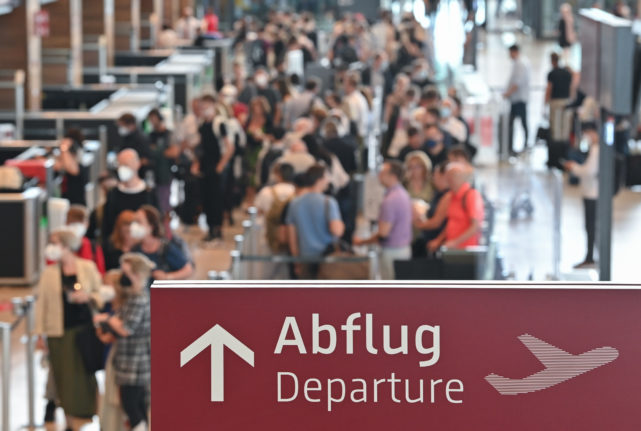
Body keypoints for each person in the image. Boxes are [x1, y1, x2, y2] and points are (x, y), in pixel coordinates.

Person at [35, 228, 105, 431]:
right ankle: (68, 421)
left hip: (84, 329)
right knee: (63, 379)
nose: (51, 247)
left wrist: (89, 297)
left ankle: (89, 416)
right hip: (59, 332)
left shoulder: (87, 267)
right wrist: (40, 335)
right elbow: (42, 306)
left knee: (86, 376)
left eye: (55, 242)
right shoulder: (49, 274)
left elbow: (101, 293)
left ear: (66, 246)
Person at [95, 253, 154, 431]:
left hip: (135, 363)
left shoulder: (139, 299)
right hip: (127, 360)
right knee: (135, 404)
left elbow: (126, 329)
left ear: (136, 275)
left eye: (125, 272)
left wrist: (106, 319)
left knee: (132, 404)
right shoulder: (132, 297)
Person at [354, 161, 412, 280]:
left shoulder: (391, 200)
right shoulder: (402, 194)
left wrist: (362, 242)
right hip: (402, 249)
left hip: (392, 252)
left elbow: (383, 233)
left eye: (383, 173)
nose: (379, 176)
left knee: (391, 291)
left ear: (393, 176)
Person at [286, 165, 345, 278]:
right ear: (320, 179)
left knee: (307, 293)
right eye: (327, 177)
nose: (329, 180)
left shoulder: (294, 203)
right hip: (328, 259)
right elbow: (337, 231)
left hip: (305, 258)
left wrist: (296, 261)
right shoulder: (329, 202)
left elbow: (292, 238)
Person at [195, 95, 234, 241]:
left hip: (216, 166)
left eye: (205, 106)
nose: (203, 109)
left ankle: (218, 229)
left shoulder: (219, 123)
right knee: (206, 198)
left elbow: (229, 147)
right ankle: (210, 228)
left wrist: (220, 166)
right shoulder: (202, 124)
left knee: (217, 199)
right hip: (205, 166)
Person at [101, 149, 156, 246]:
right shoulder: (113, 194)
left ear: (137, 164)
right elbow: (107, 226)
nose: (122, 169)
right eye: (120, 165)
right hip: (118, 247)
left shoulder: (149, 193)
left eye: (126, 165)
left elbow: (155, 223)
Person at [565, 122, 600, 269]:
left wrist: (574, 167)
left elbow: (589, 171)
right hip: (591, 191)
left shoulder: (597, 149)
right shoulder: (596, 148)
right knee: (591, 226)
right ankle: (591, 256)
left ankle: (590, 257)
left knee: (591, 226)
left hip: (593, 192)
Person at [429, 163, 484, 252]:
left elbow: (476, 226)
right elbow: (451, 223)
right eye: (448, 177)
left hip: (466, 250)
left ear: (460, 178)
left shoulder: (471, 195)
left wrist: (455, 242)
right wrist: (439, 240)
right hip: (452, 248)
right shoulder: (451, 197)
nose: (449, 180)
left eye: (452, 177)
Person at [130, 205, 194, 282]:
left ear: (151, 226)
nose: (134, 226)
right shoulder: (135, 249)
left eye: (139, 222)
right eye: (134, 222)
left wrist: (167, 277)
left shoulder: (165, 248)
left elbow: (188, 270)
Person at [413, 162, 452, 257]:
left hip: (436, 240)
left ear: (443, 176)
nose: (433, 178)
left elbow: (437, 222)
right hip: (429, 237)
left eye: (435, 175)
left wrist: (418, 224)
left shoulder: (447, 195)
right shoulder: (438, 193)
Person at [147, 109, 179, 217]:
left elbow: (174, 152)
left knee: (164, 201)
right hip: (152, 173)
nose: (152, 122)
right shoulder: (150, 136)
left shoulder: (168, 134)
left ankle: (167, 229)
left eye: (154, 119)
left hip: (165, 173)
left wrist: (157, 152)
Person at [545, 52, 573, 168]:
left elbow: (549, 88)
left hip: (556, 102)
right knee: (564, 130)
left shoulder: (552, 74)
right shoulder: (567, 73)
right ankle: (564, 156)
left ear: (552, 61)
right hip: (566, 102)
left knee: (556, 130)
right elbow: (571, 89)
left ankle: (555, 158)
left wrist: (545, 102)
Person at [503, 45, 530, 156]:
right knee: (514, 123)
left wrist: (507, 93)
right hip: (516, 99)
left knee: (520, 123)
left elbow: (517, 83)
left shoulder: (520, 64)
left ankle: (523, 146)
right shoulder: (519, 63)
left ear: (515, 52)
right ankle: (511, 147)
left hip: (519, 99)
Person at [66, 205, 106, 275]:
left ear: (87, 224)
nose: (77, 226)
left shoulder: (92, 247)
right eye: (73, 222)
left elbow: (100, 273)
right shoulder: (60, 244)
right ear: (66, 223)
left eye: (81, 222)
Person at [55, 130, 87, 205]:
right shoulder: (62, 161)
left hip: (76, 205)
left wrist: (64, 149)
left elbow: (72, 169)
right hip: (63, 204)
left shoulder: (80, 165)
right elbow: (57, 166)